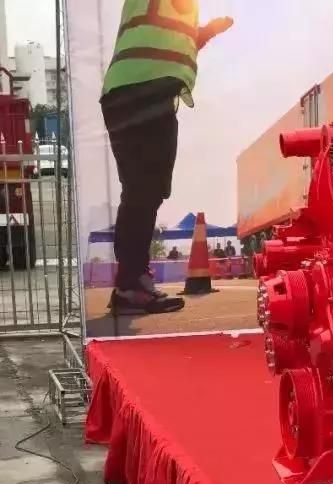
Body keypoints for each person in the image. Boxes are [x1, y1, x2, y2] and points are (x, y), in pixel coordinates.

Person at [101, 1, 234, 315]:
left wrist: (206, 33)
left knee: (144, 191)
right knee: (143, 190)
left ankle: (131, 283)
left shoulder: (181, 11)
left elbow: (174, 41)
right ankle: (131, 285)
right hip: (141, 90)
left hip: (137, 91)